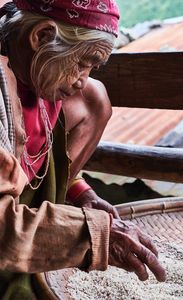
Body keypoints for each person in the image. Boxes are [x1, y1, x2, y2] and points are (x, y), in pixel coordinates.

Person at [0, 0, 166, 299]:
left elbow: (40, 147)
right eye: (82, 62)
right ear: (40, 36)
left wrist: (78, 190)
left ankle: (46, 225)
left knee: (93, 96)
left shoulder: (36, 73)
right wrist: (94, 235)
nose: (81, 79)